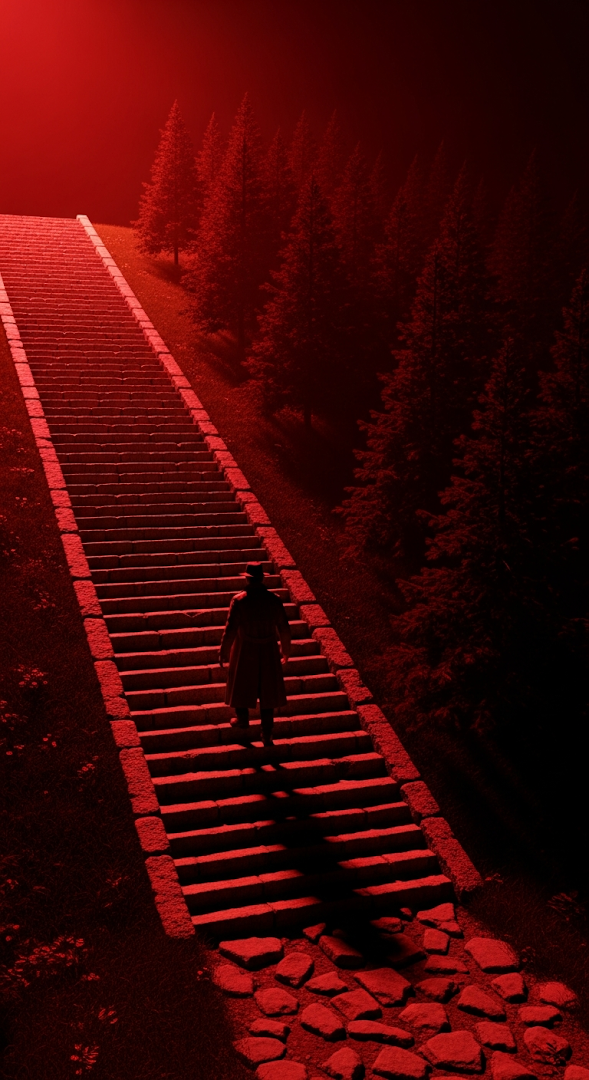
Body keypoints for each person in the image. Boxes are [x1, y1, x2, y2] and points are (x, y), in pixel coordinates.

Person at [219, 562, 291, 746]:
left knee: (240, 682)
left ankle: (242, 718)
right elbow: (283, 627)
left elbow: (231, 629)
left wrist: (224, 651)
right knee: (268, 691)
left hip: (246, 648)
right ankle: (266, 733)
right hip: (268, 649)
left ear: (247, 578)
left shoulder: (239, 601)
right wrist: (285, 650)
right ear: (262, 578)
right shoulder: (274, 600)